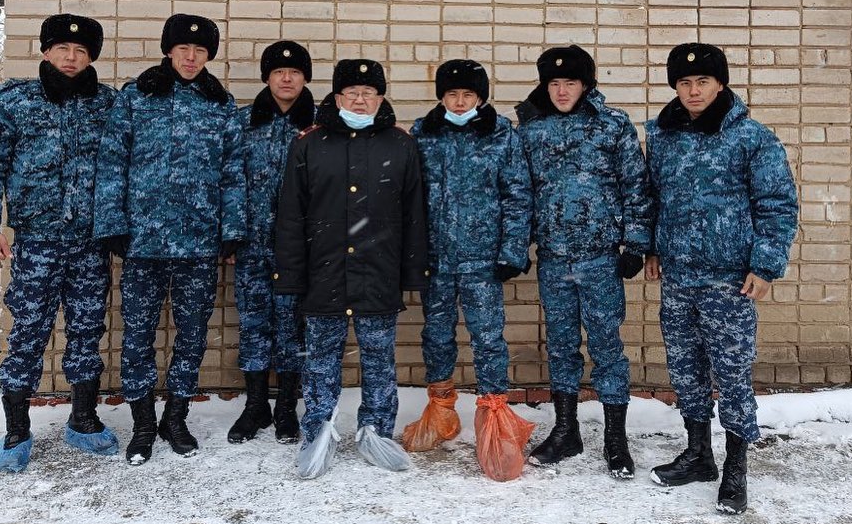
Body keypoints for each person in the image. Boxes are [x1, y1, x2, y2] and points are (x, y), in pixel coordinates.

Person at [645, 43, 798, 514]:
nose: (693, 91)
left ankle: (735, 467)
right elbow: (653, 197)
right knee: (686, 370)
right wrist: (652, 247)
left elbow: (777, 204)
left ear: (720, 84)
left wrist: (765, 265)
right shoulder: (663, 136)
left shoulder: (751, 137)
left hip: (730, 280)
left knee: (732, 375)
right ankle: (698, 455)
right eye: (684, 83)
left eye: (703, 82)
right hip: (678, 276)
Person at [94, 13, 246, 465]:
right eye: (183, 49)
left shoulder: (220, 103)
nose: (191, 57)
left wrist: (232, 229)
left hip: (199, 242)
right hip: (143, 242)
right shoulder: (137, 96)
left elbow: (232, 171)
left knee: (193, 334)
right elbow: (112, 162)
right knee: (137, 334)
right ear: (169, 50)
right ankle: (143, 422)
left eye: (200, 51)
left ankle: (175, 418)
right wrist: (112, 223)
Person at [0, 14, 118, 472]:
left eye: (81, 51)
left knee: (87, 331)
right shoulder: (15, 99)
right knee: (29, 332)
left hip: (90, 243)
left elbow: (123, 165)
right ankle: (16, 429)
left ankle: (83, 419)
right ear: (46, 51)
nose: (71, 58)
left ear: (91, 57)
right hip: (36, 243)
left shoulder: (106, 103)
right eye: (62, 49)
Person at [273, 59, 429, 479]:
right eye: (352, 93)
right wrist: (290, 274)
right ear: (337, 97)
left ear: (380, 98)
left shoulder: (400, 145)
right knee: (320, 361)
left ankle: (377, 432)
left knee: (379, 360)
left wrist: (412, 273)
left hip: (378, 273)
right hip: (324, 273)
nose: (360, 100)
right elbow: (291, 215)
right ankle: (318, 433)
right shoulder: (310, 144)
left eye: (369, 93)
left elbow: (414, 214)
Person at [515, 45, 653, 479]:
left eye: (570, 83)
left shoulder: (612, 125)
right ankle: (566, 431)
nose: (561, 91)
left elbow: (636, 186)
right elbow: (520, 192)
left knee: (606, 347)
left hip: (600, 259)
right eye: (554, 83)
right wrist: (517, 247)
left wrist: (635, 244)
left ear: (586, 85)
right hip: (554, 258)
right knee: (560, 347)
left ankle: (615, 440)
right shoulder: (530, 130)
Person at [402, 59, 535, 481]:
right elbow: (409, 197)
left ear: (480, 97)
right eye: (452, 94)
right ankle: (441, 410)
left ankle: (494, 420)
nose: (460, 102)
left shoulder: (501, 135)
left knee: (488, 339)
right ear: (441, 97)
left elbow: (517, 196)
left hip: (483, 260)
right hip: (436, 260)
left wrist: (511, 252)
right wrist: (412, 253)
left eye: (468, 95)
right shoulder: (424, 134)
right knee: (436, 335)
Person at [228, 41, 314, 445]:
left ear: (304, 78)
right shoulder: (243, 122)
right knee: (253, 325)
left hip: (300, 249)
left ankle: (286, 407)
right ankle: (256, 404)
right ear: (267, 77)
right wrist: (231, 236)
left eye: (294, 72)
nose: (286, 79)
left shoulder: (319, 125)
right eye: (279, 72)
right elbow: (228, 180)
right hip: (252, 245)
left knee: (293, 327)